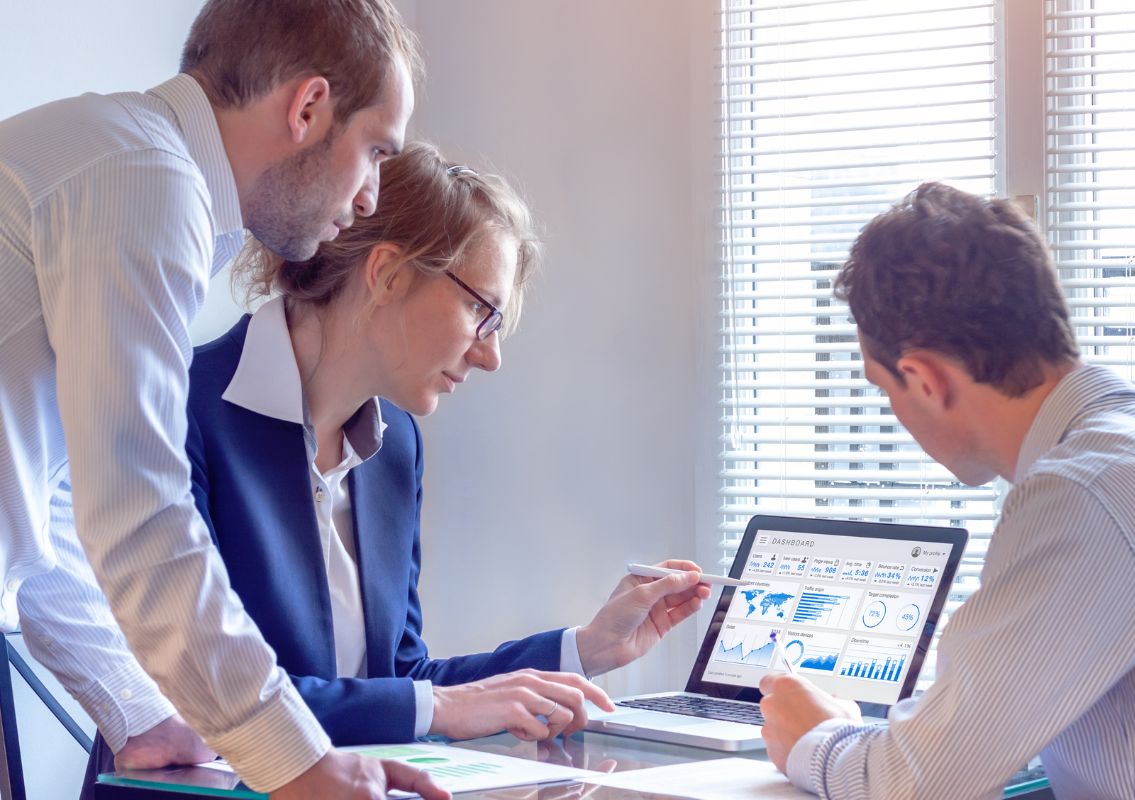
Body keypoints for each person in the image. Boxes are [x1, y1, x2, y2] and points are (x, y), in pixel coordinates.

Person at [81, 142, 711, 785]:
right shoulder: (178, 409)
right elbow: (207, 701)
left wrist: (586, 648)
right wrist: (436, 705)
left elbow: (398, 682)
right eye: (480, 311)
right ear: (387, 274)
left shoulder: (394, 446)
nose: (491, 355)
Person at [0, 1, 450, 797]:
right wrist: (296, 760)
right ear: (308, 108)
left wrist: (138, 713)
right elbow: (137, 514)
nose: (375, 194)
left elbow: (50, 510)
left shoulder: (126, 165)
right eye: (376, 150)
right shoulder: (144, 181)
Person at [758, 182, 1135, 799]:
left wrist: (818, 736)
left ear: (924, 378)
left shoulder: (1086, 495)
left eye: (886, 390)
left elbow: (913, 786)